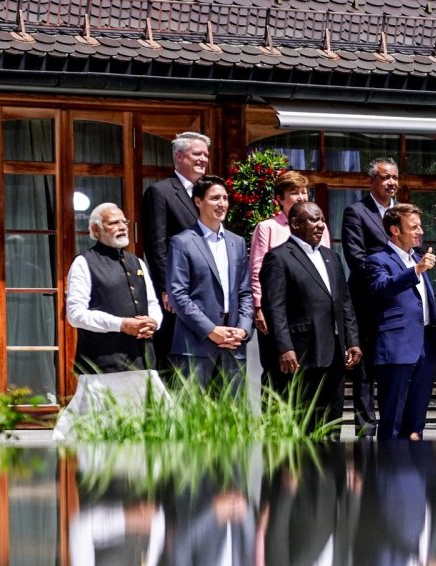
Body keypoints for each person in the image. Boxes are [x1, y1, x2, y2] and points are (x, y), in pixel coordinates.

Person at [260, 202, 362, 432]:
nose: (321, 225)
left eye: (322, 219)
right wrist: (285, 347)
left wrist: (352, 340)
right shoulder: (279, 258)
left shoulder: (331, 257)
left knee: (331, 423)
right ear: (295, 224)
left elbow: (344, 301)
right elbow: (274, 308)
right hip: (301, 355)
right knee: (301, 423)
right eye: (314, 220)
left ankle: (331, 467)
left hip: (334, 354)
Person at [363, 204, 436, 440]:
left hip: (426, 347)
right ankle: (390, 473)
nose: (420, 231)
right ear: (395, 230)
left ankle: (415, 473)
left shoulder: (419, 258)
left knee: (416, 424)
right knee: (393, 421)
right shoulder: (378, 260)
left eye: (420, 226)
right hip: (397, 349)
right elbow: (381, 288)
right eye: (413, 227)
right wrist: (415, 271)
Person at [168, 175, 253, 387]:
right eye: (215, 198)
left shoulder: (238, 242)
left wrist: (243, 329)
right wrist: (210, 330)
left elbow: (245, 291)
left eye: (225, 198)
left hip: (233, 343)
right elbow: (178, 294)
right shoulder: (182, 242)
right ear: (198, 201)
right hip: (195, 345)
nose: (222, 204)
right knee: (190, 415)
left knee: (232, 414)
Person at [249, 171, 328, 388]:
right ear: (280, 199)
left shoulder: (319, 227)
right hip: (278, 311)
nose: (302, 197)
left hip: (310, 314)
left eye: (304, 192)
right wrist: (258, 307)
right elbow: (257, 269)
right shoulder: (267, 227)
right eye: (294, 193)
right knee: (279, 375)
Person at [140, 130, 210, 371]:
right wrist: (167, 288)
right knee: (175, 362)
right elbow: (156, 245)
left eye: (206, 155)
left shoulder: (209, 194)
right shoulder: (161, 192)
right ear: (179, 156)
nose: (203, 159)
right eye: (197, 154)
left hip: (207, 290)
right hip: (178, 290)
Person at [66, 202, 163, 374]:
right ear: (96, 230)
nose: (122, 227)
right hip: (101, 366)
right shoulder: (84, 262)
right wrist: (121, 324)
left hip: (144, 362)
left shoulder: (137, 261)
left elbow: (152, 303)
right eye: (113, 223)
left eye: (124, 222)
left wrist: (154, 322)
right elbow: (75, 315)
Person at [342, 157, 402, 432]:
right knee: (364, 367)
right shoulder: (356, 212)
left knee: (393, 364)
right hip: (367, 299)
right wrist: (386, 278)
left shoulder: (402, 213)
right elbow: (356, 257)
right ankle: (365, 426)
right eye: (385, 177)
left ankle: (394, 421)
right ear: (372, 181)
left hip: (397, 301)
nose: (392, 182)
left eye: (395, 177)